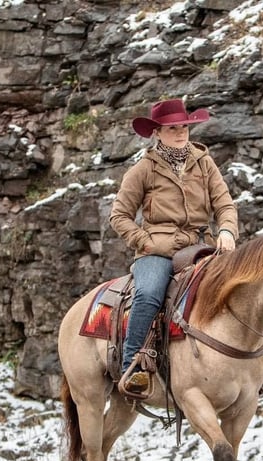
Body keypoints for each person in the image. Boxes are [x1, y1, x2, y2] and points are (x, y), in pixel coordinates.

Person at [109, 98, 239, 398]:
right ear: (157, 132)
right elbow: (119, 216)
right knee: (149, 292)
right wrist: (146, 242)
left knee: (245, 283)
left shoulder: (204, 162)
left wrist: (228, 231)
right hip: (158, 250)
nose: (180, 133)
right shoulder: (143, 169)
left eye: (183, 127)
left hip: (201, 246)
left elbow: (224, 204)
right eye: (172, 129)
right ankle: (133, 367)